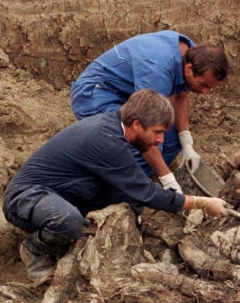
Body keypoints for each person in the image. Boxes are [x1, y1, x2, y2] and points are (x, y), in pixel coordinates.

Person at [3, 89, 228, 284]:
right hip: (26, 198)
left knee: (128, 197)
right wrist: (203, 203)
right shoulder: (105, 139)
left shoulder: (114, 128)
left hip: (65, 192)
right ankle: (35, 250)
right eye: (157, 132)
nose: (160, 140)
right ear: (137, 124)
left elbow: (137, 191)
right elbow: (148, 192)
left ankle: (122, 248)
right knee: (68, 220)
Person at [70, 30, 228, 191]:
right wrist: (167, 179)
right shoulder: (157, 70)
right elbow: (147, 130)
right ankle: (117, 187)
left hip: (128, 95)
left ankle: (138, 177)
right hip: (95, 94)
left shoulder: (191, 53)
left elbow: (181, 96)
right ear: (188, 69)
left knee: (173, 140)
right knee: (146, 140)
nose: (206, 91)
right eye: (203, 85)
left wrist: (187, 143)